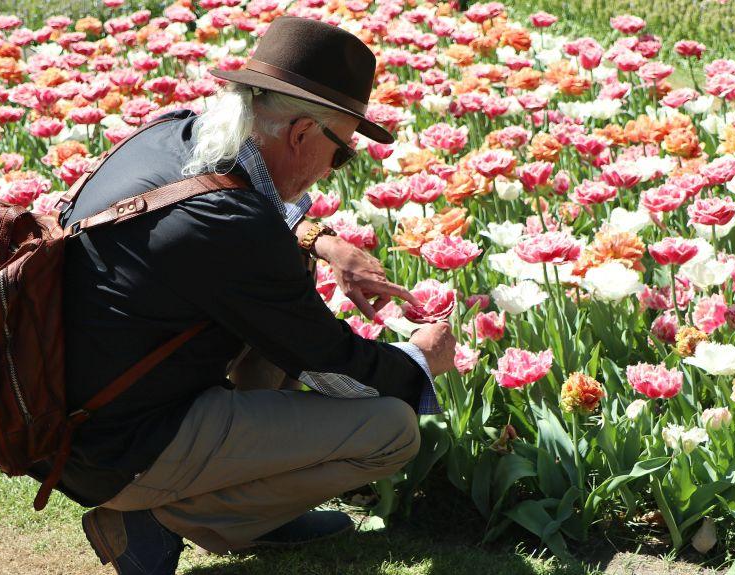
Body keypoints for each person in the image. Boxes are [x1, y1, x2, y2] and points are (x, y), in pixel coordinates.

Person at [50, 16, 456, 575]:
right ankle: (152, 521)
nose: (332, 172)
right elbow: (331, 365)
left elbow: (236, 236)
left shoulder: (170, 135)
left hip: (71, 413)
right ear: (301, 135)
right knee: (391, 431)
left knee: (286, 300)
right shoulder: (229, 224)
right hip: (118, 449)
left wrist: (319, 240)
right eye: (341, 154)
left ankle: (258, 511)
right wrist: (421, 363)